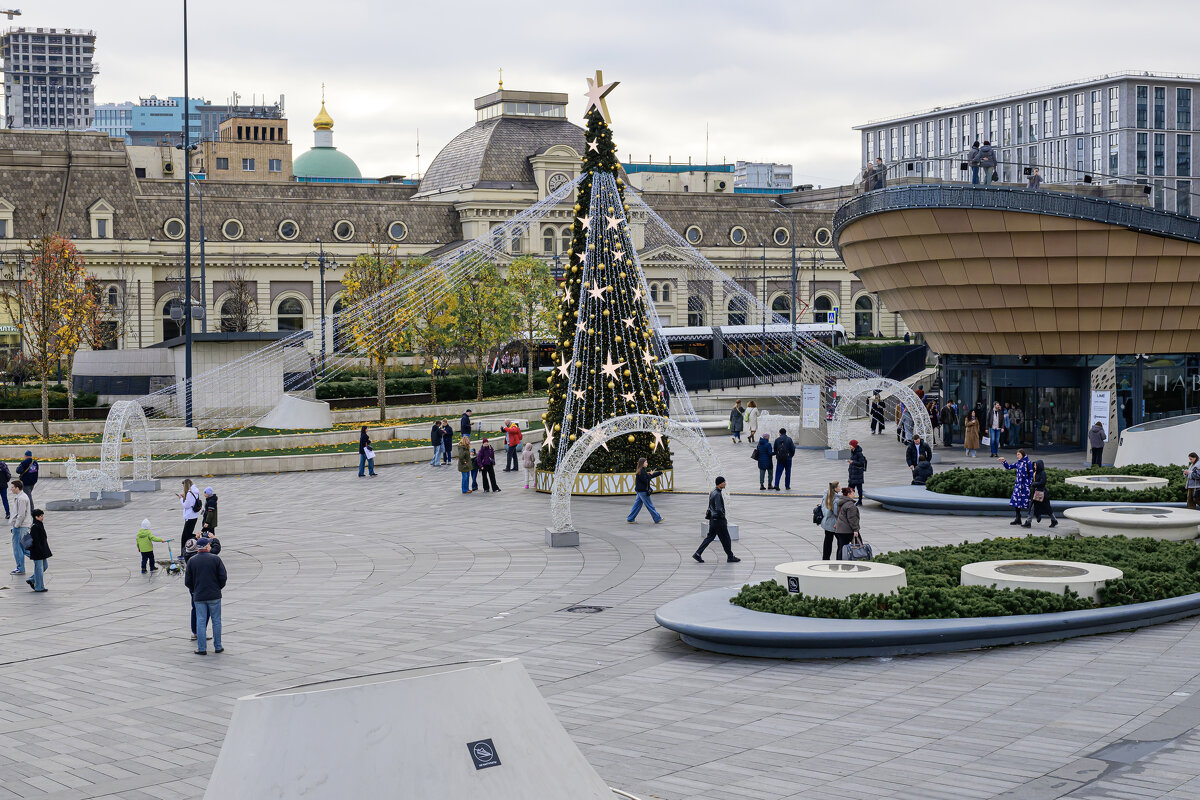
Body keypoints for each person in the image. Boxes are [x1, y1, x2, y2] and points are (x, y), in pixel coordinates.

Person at [185, 537, 227, 655]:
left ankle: (202, 648)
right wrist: (218, 588)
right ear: (207, 546)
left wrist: (195, 590)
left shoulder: (192, 561)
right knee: (216, 621)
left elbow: (187, 581)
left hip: (199, 596)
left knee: (201, 621)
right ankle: (218, 646)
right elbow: (223, 577)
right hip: (214, 595)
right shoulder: (215, 559)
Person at [693, 476, 739, 563]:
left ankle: (697, 553)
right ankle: (730, 556)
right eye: (724, 482)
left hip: (712, 520)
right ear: (720, 483)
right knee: (726, 538)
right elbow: (718, 509)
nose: (725, 483)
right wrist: (723, 517)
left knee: (710, 537)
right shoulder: (717, 494)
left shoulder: (713, 492)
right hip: (719, 521)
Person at [999, 448, 1034, 525]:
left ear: (1023, 454)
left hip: (1025, 486)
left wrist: (1028, 484)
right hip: (1018, 486)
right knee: (1016, 502)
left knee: (1025, 502)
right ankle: (1018, 518)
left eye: (1019, 454)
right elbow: (1008, 467)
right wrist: (1003, 460)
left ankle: (1029, 520)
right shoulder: (1018, 463)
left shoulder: (1028, 463)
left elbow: (1031, 475)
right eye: (1017, 455)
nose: (1017, 456)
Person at [627, 458, 663, 524]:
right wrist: (651, 475)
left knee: (637, 505)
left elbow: (647, 477)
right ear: (642, 463)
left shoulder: (641, 470)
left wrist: (658, 473)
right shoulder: (641, 471)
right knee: (650, 505)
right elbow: (646, 480)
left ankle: (630, 518)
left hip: (640, 491)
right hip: (643, 491)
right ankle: (657, 518)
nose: (647, 463)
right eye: (646, 462)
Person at [1025, 459, 1057, 528]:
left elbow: (1043, 482)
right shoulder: (1035, 472)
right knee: (1033, 507)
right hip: (1036, 492)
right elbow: (1028, 470)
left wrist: (1034, 484)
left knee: (1047, 508)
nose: (1034, 466)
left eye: (1035, 465)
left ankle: (1054, 520)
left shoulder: (1042, 473)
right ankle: (1028, 522)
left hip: (1042, 493)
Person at [25, 508, 50, 592]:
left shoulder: (39, 524)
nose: (42, 517)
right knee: (39, 569)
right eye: (41, 516)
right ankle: (39, 587)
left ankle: (32, 579)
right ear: (36, 517)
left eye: (42, 516)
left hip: (41, 550)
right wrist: (40, 552)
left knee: (44, 566)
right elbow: (36, 541)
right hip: (38, 551)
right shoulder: (35, 527)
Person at [9, 479, 30, 576]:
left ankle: (20, 568)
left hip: (20, 526)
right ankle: (21, 567)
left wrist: (16, 525)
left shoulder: (21, 498)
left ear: (17, 488)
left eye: (12, 487)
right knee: (22, 547)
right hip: (22, 526)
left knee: (18, 548)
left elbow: (21, 514)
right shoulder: (21, 497)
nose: (11, 489)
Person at [834, 487, 860, 559]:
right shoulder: (850, 505)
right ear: (848, 494)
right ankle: (858, 560)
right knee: (858, 546)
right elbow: (852, 519)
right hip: (847, 530)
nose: (854, 495)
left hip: (840, 529)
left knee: (841, 547)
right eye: (852, 493)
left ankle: (839, 562)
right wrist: (855, 530)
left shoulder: (841, 502)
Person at [820, 481, 843, 560]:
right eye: (839, 486)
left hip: (826, 522)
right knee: (840, 542)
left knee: (827, 541)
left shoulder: (826, 496)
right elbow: (836, 512)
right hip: (834, 524)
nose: (840, 487)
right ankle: (839, 559)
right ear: (835, 488)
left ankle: (825, 558)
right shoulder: (835, 499)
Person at [179, 479, 201, 552]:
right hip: (194, 516)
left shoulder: (190, 493)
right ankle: (195, 543)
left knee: (184, 537)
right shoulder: (195, 491)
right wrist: (184, 496)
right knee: (188, 534)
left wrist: (181, 499)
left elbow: (186, 505)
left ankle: (183, 552)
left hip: (190, 516)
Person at [846, 439, 866, 505]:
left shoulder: (859, 453)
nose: (850, 446)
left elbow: (861, 463)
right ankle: (849, 501)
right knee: (849, 489)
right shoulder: (853, 452)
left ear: (854, 445)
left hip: (858, 474)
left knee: (859, 489)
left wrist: (853, 462)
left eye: (851, 445)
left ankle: (860, 501)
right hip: (852, 474)